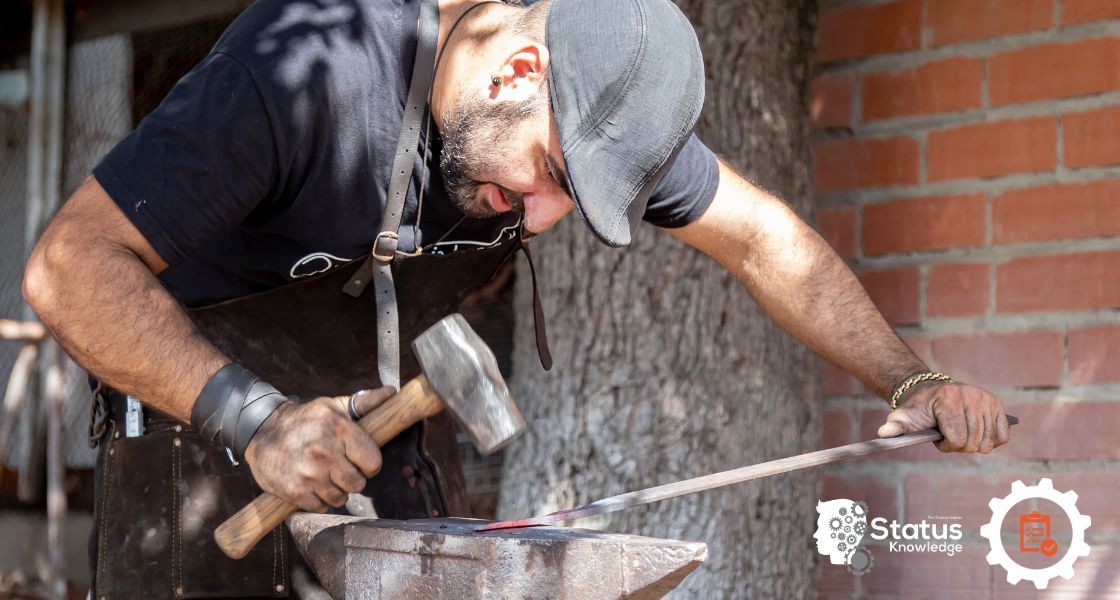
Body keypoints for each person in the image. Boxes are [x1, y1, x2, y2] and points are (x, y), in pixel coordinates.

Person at [22, 0, 1011, 596]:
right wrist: (254, 416)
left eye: (569, 197)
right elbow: (69, 265)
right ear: (520, 68)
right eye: (545, 173)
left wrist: (908, 377)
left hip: (381, 431)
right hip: (201, 412)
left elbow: (762, 238)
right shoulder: (304, 69)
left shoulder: (594, 115)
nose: (539, 219)